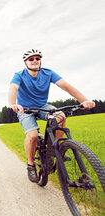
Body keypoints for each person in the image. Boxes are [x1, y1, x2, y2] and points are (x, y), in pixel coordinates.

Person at [8, 49, 95, 183]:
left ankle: (55, 151)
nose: (34, 61)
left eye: (37, 58)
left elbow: (67, 87)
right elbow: (13, 88)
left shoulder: (48, 73)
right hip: (25, 109)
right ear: (25, 62)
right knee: (32, 135)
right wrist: (13, 104)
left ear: (40, 61)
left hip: (43, 106)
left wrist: (84, 100)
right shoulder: (19, 75)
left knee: (60, 116)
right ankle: (30, 165)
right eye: (31, 59)